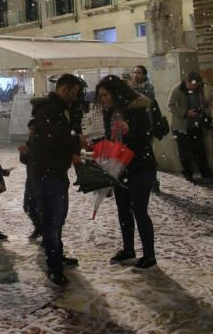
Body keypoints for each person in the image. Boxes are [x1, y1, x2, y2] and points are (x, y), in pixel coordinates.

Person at [28, 73, 88, 285]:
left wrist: (73, 150)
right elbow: (52, 140)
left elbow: (60, 137)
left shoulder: (62, 110)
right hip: (46, 174)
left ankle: (57, 255)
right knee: (52, 222)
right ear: (64, 89)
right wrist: (76, 140)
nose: (75, 97)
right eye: (74, 93)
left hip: (56, 172)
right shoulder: (48, 110)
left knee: (58, 219)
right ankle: (54, 266)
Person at [96, 75, 158, 271]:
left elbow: (148, 134)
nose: (103, 99)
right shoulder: (111, 111)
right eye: (101, 96)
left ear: (115, 92)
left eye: (106, 95)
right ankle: (128, 250)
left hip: (141, 167)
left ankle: (149, 256)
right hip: (120, 167)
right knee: (123, 210)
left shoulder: (138, 108)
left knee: (139, 210)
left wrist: (131, 130)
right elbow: (110, 138)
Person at [168, 72, 213, 182]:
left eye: (196, 85)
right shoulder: (177, 90)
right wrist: (185, 113)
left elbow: (201, 102)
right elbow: (171, 106)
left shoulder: (198, 89)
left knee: (200, 150)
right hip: (181, 126)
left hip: (195, 125)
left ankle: (205, 172)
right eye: (193, 84)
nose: (195, 87)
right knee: (184, 151)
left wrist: (208, 104)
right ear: (186, 82)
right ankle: (188, 173)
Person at [18, 118, 42, 239]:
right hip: (31, 178)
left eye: (33, 130)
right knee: (28, 205)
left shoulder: (44, 140)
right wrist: (23, 153)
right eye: (30, 130)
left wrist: (29, 152)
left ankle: (43, 229)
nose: (31, 132)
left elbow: (43, 159)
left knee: (41, 206)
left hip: (41, 178)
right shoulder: (31, 139)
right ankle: (39, 227)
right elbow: (25, 160)